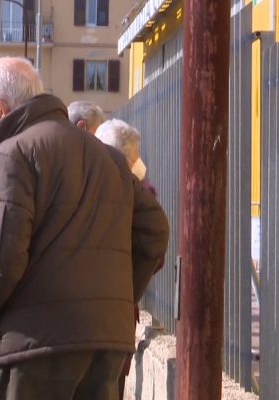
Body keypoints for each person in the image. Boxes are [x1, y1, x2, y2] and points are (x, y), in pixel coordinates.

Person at [0, 56, 170, 400]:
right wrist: (117, 298)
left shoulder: (10, 154)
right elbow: (155, 230)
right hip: (103, 344)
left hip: (36, 346)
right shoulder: (107, 156)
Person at [95, 118, 160, 398]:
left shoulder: (76, 185)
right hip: (115, 314)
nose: (138, 165)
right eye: (133, 158)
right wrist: (128, 289)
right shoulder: (140, 194)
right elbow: (155, 243)